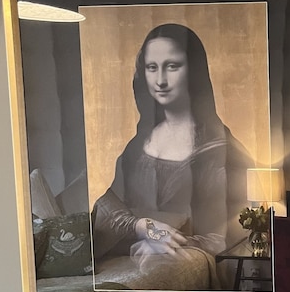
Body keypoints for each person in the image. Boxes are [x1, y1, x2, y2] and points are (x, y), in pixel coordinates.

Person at [91, 23, 249, 267]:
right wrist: (146, 230)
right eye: (152, 68)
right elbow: (108, 212)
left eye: (172, 66)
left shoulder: (219, 149)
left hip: (184, 256)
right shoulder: (136, 146)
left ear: (193, 70)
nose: (160, 80)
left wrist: (164, 243)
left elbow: (228, 236)